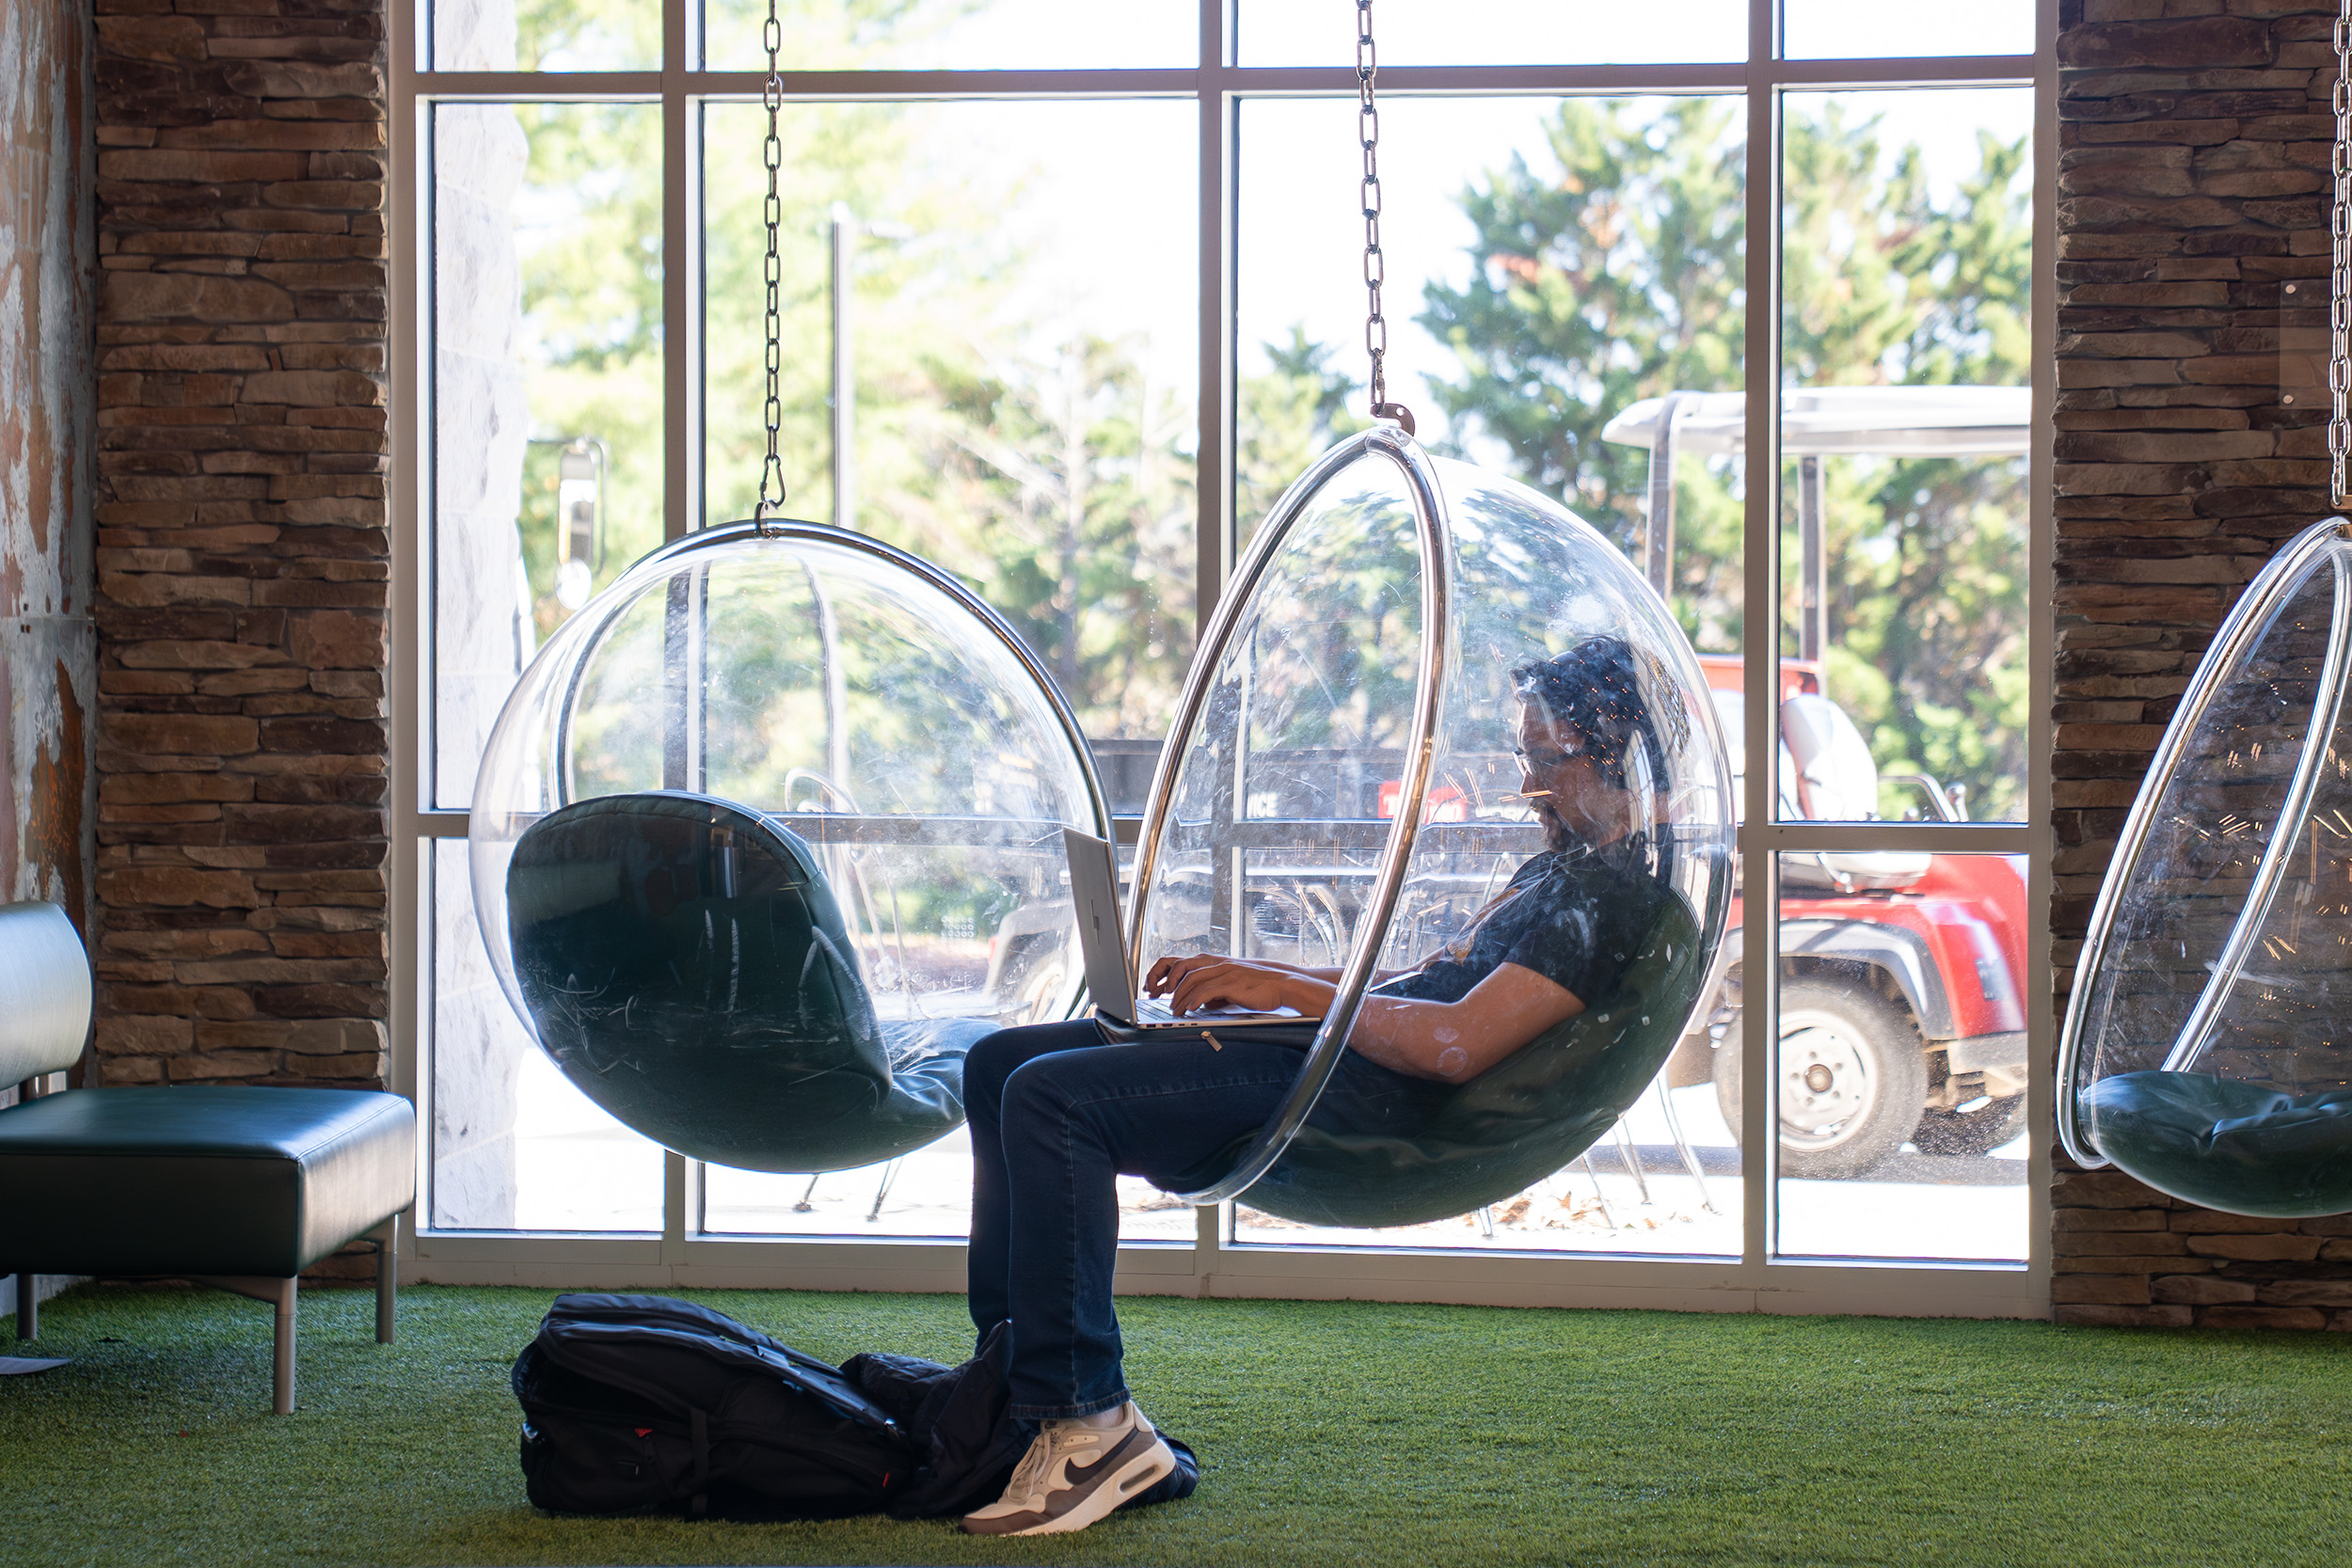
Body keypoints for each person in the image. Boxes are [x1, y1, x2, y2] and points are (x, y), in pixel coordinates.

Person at [955, 635, 1679, 1537]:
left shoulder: (1612, 899)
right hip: (1338, 1051)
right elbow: (1422, 989)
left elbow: (1452, 1044)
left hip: (1362, 1090)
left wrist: (1294, 996)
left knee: (1054, 1099)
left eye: (1547, 757)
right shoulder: (1559, 876)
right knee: (997, 1066)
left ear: (1620, 754)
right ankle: (1012, 1388)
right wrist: (1256, 977)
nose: (1528, 782)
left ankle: (1089, 1421)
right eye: (1524, 756)